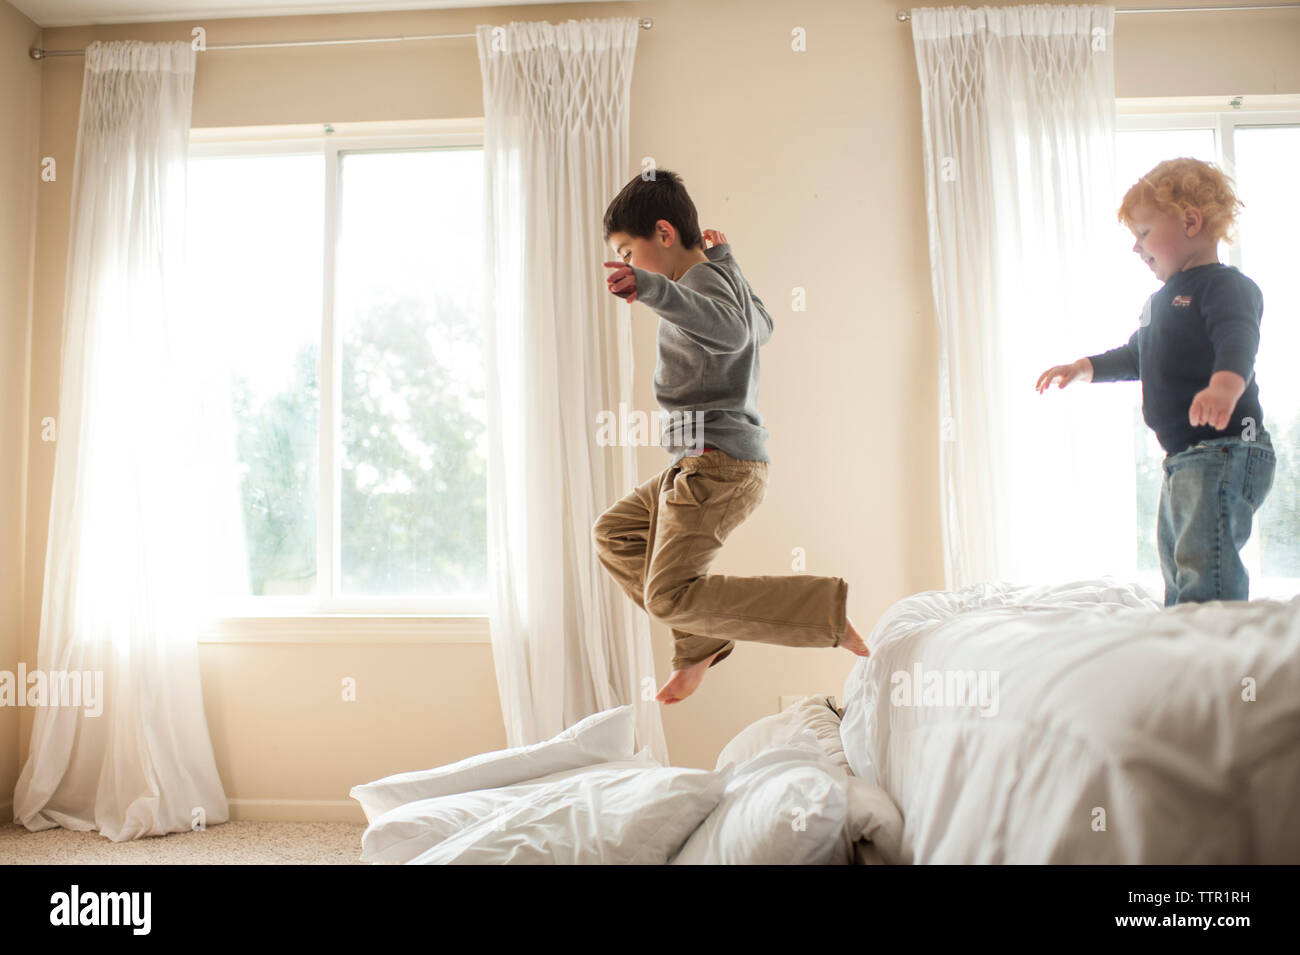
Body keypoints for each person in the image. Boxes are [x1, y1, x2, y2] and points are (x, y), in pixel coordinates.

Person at [593, 169, 869, 704]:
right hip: (705, 462)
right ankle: (701, 643)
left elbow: (736, 332)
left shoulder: (691, 287)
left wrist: (651, 288)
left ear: (665, 234)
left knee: (669, 596)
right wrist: (729, 262)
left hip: (717, 464)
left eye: (629, 252)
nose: (627, 264)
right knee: (615, 533)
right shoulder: (714, 278)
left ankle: (823, 614)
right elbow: (760, 325)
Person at [1036, 157, 1275, 606]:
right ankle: (1184, 640)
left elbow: (1237, 338)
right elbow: (1136, 355)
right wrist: (1083, 367)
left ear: (1190, 220)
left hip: (1227, 448)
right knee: (1178, 560)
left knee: (1206, 560)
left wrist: (1225, 386)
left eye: (1143, 234)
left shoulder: (1223, 286)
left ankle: (1217, 651)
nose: (1136, 248)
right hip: (1185, 457)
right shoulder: (1158, 302)